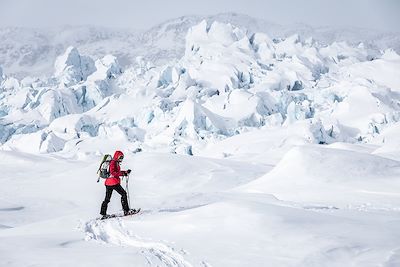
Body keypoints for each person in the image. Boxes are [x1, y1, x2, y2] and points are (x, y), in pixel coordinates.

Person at [100, 150, 135, 219]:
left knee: (107, 199)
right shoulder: (113, 162)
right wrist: (122, 174)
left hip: (108, 183)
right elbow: (113, 172)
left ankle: (103, 214)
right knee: (123, 194)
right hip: (114, 182)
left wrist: (125, 172)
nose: (121, 159)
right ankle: (126, 210)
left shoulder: (114, 162)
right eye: (120, 157)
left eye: (122, 157)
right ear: (117, 156)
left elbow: (116, 172)